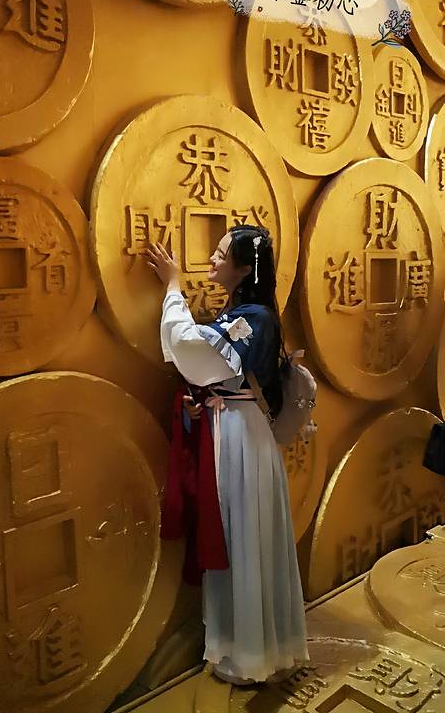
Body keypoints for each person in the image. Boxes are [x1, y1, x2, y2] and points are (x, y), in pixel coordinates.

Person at [146, 225, 309, 685]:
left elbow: (191, 351)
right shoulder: (246, 314)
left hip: (241, 438)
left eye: (221, 254)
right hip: (235, 429)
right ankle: (258, 647)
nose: (212, 259)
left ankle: (252, 654)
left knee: (242, 538)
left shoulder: (252, 317)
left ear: (243, 267)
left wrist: (173, 287)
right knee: (244, 537)